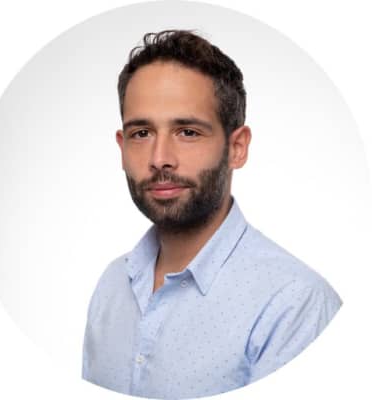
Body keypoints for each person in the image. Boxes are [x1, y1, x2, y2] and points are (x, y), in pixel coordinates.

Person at [82, 29, 342, 399]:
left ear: (237, 148)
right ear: (122, 148)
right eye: (142, 133)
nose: (159, 159)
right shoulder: (112, 285)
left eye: (187, 132)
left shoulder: (294, 304)